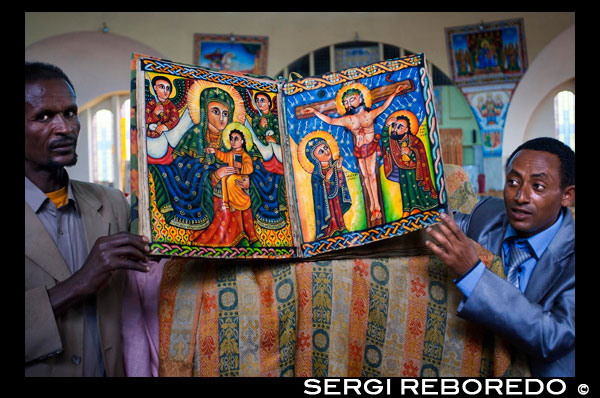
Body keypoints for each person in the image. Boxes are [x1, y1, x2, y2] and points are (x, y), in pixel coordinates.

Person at [25, 62, 154, 376]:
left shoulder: (111, 203)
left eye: (70, 113)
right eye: (44, 116)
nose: (66, 128)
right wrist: (78, 284)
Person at [424, 137, 575, 377]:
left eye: (537, 187)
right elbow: (430, 227)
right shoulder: (488, 215)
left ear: (567, 195)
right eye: (513, 182)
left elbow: (553, 337)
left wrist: (474, 275)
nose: (521, 197)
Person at [303, 83, 404, 224]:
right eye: (345, 102)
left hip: (371, 147)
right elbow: (331, 120)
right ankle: (372, 207)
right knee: (365, 178)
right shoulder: (348, 119)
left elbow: (383, 107)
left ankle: (378, 207)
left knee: (372, 176)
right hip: (359, 150)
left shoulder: (369, 114)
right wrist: (315, 112)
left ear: (360, 98)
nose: (348, 104)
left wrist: (394, 92)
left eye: (351, 99)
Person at [191, 128, 258, 246]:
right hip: (227, 182)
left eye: (236, 139)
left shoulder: (244, 155)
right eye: (231, 139)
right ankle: (227, 203)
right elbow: (223, 156)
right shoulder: (231, 154)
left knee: (231, 179)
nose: (233, 142)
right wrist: (214, 151)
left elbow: (249, 168)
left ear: (242, 141)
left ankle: (248, 234)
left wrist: (240, 171)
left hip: (239, 178)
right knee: (226, 179)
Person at [382, 113, 438, 218]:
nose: (395, 129)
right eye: (394, 126)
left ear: (406, 130)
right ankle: (407, 210)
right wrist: (386, 126)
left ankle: (421, 208)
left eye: (400, 127)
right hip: (403, 172)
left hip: (416, 172)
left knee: (418, 191)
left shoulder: (415, 141)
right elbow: (385, 141)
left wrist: (410, 153)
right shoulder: (393, 142)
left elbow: (421, 156)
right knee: (406, 191)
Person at [305, 137, 352, 240]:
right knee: (331, 213)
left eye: (326, 148)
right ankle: (331, 230)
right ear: (315, 158)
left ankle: (341, 227)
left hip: (336, 200)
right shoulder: (317, 175)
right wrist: (326, 180)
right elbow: (319, 195)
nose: (326, 151)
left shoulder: (334, 165)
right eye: (321, 151)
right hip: (326, 206)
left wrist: (339, 169)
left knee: (338, 211)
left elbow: (340, 185)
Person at [145, 75, 180, 165]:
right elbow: (144, 118)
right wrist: (154, 113)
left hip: (167, 135)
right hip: (152, 135)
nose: (165, 91)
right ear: (155, 88)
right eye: (162, 87)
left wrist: (164, 126)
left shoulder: (170, 105)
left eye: (168, 88)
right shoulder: (151, 104)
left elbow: (175, 118)